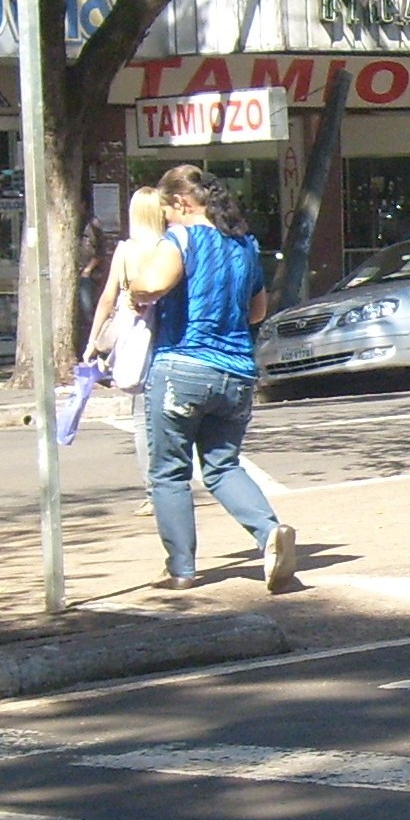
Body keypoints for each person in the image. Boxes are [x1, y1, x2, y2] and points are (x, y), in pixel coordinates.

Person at [126, 165, 298, 593]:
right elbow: (256, 312)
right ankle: (268, 533)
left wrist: (134, 290)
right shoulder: (244, 245)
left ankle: (181, 568)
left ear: (182, 203)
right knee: (222, 466)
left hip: (182, 367)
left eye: (167, 211)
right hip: (237, 373)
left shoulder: (181, 239)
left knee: (168, 473)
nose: (166, 219)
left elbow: (152, 283)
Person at [85, 187, 168, 514]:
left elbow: (108, 298)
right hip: (168, 337)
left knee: (142, 418)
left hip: (137, 340)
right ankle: (171, 484)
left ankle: (153, 491)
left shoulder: (126, 250)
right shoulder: (169, 248)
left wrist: (94, 340)